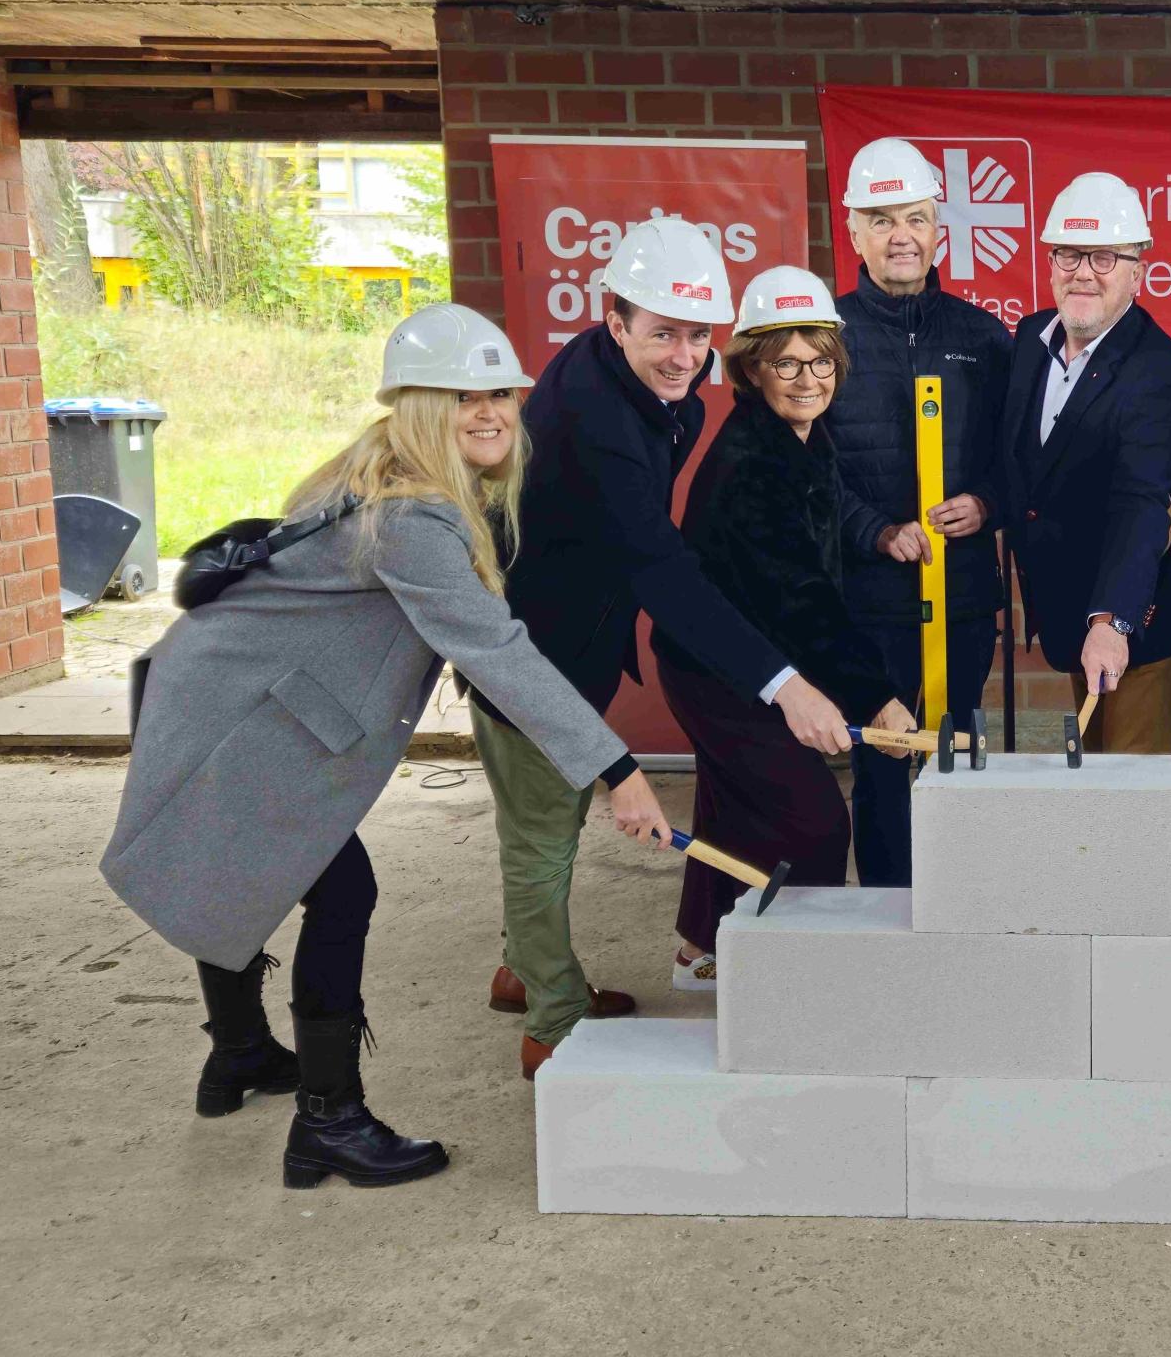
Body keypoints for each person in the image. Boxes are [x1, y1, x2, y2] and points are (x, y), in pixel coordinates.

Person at [99, 305, 673, 1190]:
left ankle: (242, 1053)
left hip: (215, 696)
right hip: (237, 719)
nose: (489, 413)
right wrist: (616, 768)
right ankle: (329, 1120)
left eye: (501, 395)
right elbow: (497, 651)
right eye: (460, 397)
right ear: (413, 405)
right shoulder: (412, 517)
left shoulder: (373, 473)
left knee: (254, 869)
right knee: (339, 888)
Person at [470, 216, 852, 1058]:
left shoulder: (639, 380)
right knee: (543, 835)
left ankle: (522, 969)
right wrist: (784, 683)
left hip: (581, 636)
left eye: (695, 335)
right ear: (615, 320)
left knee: (551, 824)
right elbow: (663, 568)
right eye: (662, 334)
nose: (684, 355)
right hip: (533, 654)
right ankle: (552, 1023)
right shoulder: (598, 418)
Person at [657, 266, 919, 954]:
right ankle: (796, 971)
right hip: (719, 671)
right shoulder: (753, 466)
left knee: (730, 804)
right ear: (752, 369)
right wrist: (878, 697)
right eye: (786, 363)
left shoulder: (801, 437)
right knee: (812, 824)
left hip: (753, 653)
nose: (808, 378)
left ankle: (703, 949)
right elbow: (804, 600)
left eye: (821, 360)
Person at [829, 138, 1012, 887]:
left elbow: (1019, 457)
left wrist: (988, 502)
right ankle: (885, 916)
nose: (900, 234)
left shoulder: (983, 338)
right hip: (866, 601)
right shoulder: (824, 335)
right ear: (855, 232)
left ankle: (959, 903)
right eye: (881, 219)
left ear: (940, 229)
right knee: (881, 766)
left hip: (962, 596)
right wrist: (873, 530)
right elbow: (804, 473)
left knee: (958, 755)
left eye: (915, 217)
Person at [1001, 172, 1171, 752]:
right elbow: (1023, 461)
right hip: (1067, 615)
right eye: (1068, 254)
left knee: (1135, 798)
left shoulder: (1158, 371)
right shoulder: (1032, 337)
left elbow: (1143, 505)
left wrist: (1113, 622)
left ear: (1138, 271)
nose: (1083, 271)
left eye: (1105, 257)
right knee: (1089, 786)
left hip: (1135, 625)